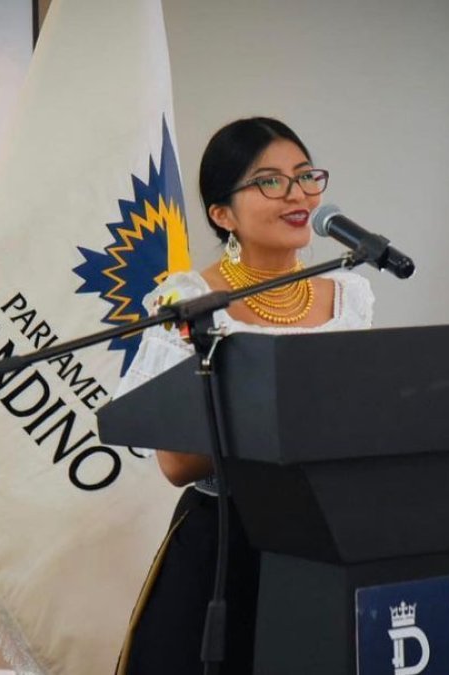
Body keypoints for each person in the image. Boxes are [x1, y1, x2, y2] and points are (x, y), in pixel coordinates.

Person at [113, 117, 374, 674]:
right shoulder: (189, 300)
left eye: (306, 176)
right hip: (225, 545)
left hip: (324, 541)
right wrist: (277, 421)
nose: (298, 193)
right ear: (222, 214)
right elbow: (176, 462)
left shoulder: (350, 296)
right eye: (270, 181)